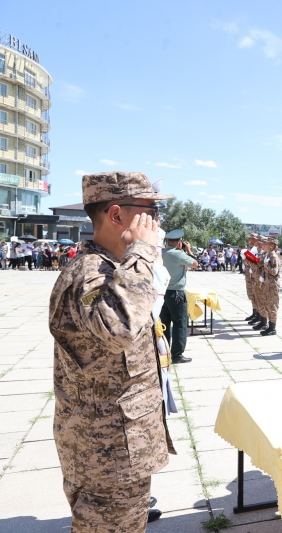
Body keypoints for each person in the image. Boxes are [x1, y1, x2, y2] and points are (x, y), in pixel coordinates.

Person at [49, 171, 175, 531]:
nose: (157, 222)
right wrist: (144, 252)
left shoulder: (113, 269)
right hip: (106, 453)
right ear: (117, 215)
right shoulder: (90, 272)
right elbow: (118, 329)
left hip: (119, 449)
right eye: (150, 211)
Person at [160, 229, 198, 364]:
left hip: (163, 292)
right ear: (179, 242)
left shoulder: (162, 253)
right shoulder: (178, 254)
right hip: (176, 292)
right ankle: (177, 354)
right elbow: (195, 264)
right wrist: (189, 251)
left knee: (164, 323)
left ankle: (164, 352)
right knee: (180, 323)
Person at [257, 236, 281, 336]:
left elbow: (274, 272)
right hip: (268, 284)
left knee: (272, 306)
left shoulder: (273, 256)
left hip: (272, 285)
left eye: (266, 243)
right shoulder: (268, 255)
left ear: (271, 246)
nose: (264, 245)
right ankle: (269, 326)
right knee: (268, 305)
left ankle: (272, 328)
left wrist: (267, 267)